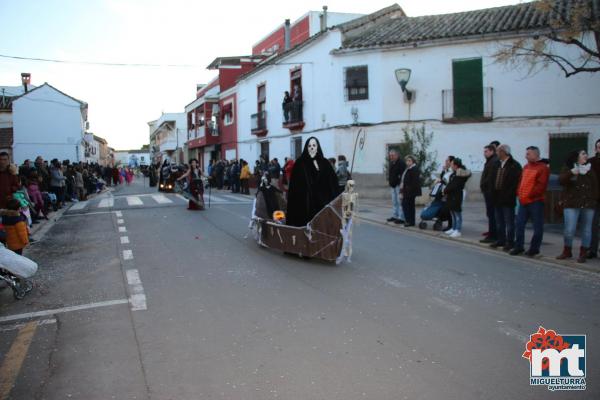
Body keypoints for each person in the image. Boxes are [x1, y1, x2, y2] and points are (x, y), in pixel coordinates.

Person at [556, 150, 598, 263]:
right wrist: (571, 173)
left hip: (588, 203)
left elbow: (595, 186)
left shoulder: (589, 169)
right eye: (583, 154)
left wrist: (594, 199)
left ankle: (583, 252)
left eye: (586, 154)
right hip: (571, 203)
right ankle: (567, 250)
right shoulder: (569, 168)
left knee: (587, 230)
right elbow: (561, 181)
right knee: (570, 229)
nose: (586, 156)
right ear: (577, 157)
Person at [286, 137, 339, 227]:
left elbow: (333, 182)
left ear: (317, 147)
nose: (311, 147)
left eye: (314, 145)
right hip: (305, 203)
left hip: (322, 203)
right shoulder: (300, 163)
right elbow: (294, 186)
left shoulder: (325, 163)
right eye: (309, 145)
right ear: (306, 147)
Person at [510, 146, 550, 257]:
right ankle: (519, 246)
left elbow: (541, 186)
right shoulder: (526, 166)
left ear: (536, 155)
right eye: (526, 153)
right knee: (519, 224)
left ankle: (534, 249)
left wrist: (529, 195)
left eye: (528, 154)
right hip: (523, 201)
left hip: (535, 201)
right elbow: (521, 181)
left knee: (537, 227)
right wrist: (519, 192)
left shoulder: (543, 168)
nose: (526, 156)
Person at [490, 144, 522, 252]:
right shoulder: (496, 164)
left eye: (498, 151)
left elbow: (514, 183)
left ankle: (510, 241)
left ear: (503, 152)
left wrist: (509, 194)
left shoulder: (514, 165)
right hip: (497, 197)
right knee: (499, 221)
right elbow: (492, 179)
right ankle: (501, 239)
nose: (497, 153)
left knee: (509, 221)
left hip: (508, 198)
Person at [443, 158, 471, 238]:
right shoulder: (455, 173)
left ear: (455, 165)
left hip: (457, 195)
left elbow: (454, 185)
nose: (450, 166)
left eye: (451, 164)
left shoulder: (460, 173)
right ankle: (453, 228)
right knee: (452, 212)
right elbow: (450, 183)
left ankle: (458, 230)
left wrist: (445, 190)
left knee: (457, 212)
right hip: (451, 195)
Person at [480, 145, 499, 243]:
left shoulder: (494, 161)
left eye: (486, 151)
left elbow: (491, 178)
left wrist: (486, 187)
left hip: (490, 193)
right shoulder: (490, 161)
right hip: (488, 192)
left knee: (492, 214)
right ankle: (492, 233)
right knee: (490, 214)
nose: (484, 153)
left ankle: (493, 235)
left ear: (492, 151)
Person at [400, 155, 422, 227]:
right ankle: (409, 221)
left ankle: (410, 221)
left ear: (413, 161)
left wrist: (408, 189)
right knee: (407, 205)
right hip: (406, 190)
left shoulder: (414, 169)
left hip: (411, 191)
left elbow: (414, 182)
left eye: (409, 161)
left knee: (408, 206)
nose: (407, 162)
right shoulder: (409, 169)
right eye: (407, 161)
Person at [587, 138, 600, 258]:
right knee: (593, 226)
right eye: (599, 147)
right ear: (596, 149)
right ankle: (592, 250)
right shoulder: (590, 162)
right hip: (594, 199)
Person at [386, 149, 406, 224]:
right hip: (392, 185)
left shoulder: (401, 163)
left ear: (397, 155)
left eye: (393, 155)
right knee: (394, 201)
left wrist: (400, 183)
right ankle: (395, 215)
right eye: (390, 155)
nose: (391, 157)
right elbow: (390, 174)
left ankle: (401, 217)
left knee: (399, 201)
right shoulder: (391, 163)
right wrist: (389, 181)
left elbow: (402, 175)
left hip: (398, 185)